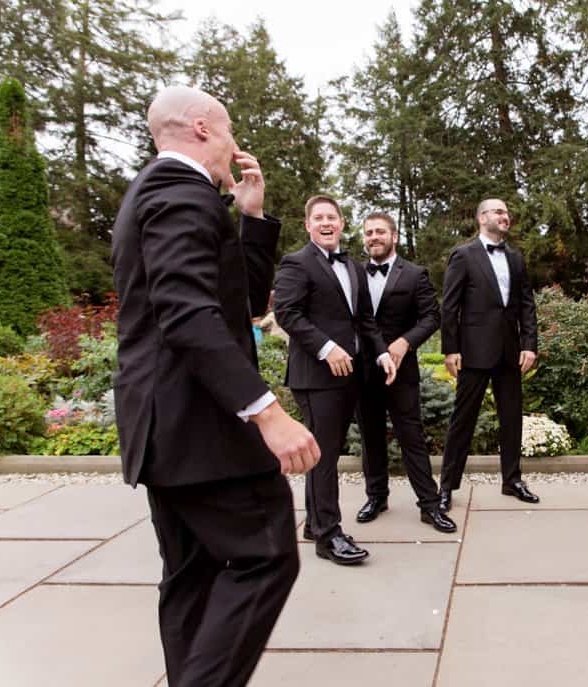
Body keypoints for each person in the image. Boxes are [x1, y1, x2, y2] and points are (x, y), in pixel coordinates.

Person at [112, 85, 320, 687]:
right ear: (203, 128)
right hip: (199, 430)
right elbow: (186, 315)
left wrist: (249, 216)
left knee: (193, 575)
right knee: (266, 554)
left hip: (165, 434)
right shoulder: (180, 196)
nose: (235, 146)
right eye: (229, 131)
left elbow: (240, 305)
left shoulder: (163, 194)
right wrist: (267, 413)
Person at [274, 195, 397, 565]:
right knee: (324, 456)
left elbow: (364, 320)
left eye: (333, 217)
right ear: (308, 225)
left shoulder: (353, 267)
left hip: (351, 375)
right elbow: (287, 313)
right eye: (319, 218)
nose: (326, 223)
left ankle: (315, 522)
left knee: (324, 454)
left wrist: (381, 353)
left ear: (342, 224)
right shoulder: (296, 263)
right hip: (315, 375)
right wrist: (327, 348)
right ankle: (329, 536)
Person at [355, 212, 456, 533]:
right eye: (369, 232)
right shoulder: (352, 273)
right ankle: (376, 497)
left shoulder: (414, 274)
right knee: (370, 437)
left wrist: (404, 343)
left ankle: (429, 505)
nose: (374, 237)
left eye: (380, 231)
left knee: (411, 436)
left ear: (394, 236)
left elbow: (431, 317)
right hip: (363, 371)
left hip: (402, 370)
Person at [439, 198, 539, 511]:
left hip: (510, 352)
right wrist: (451, 349)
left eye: (506, 212)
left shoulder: (515, 257)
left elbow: (526, 304)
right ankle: (446, 487)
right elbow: (449, 306)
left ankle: (512, 480)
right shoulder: (463, 255)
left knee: (512, 418)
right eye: (498, 211)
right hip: (473, 352)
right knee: (463, 420)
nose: (505, 216)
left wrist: (530, 345)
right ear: (482, 218)